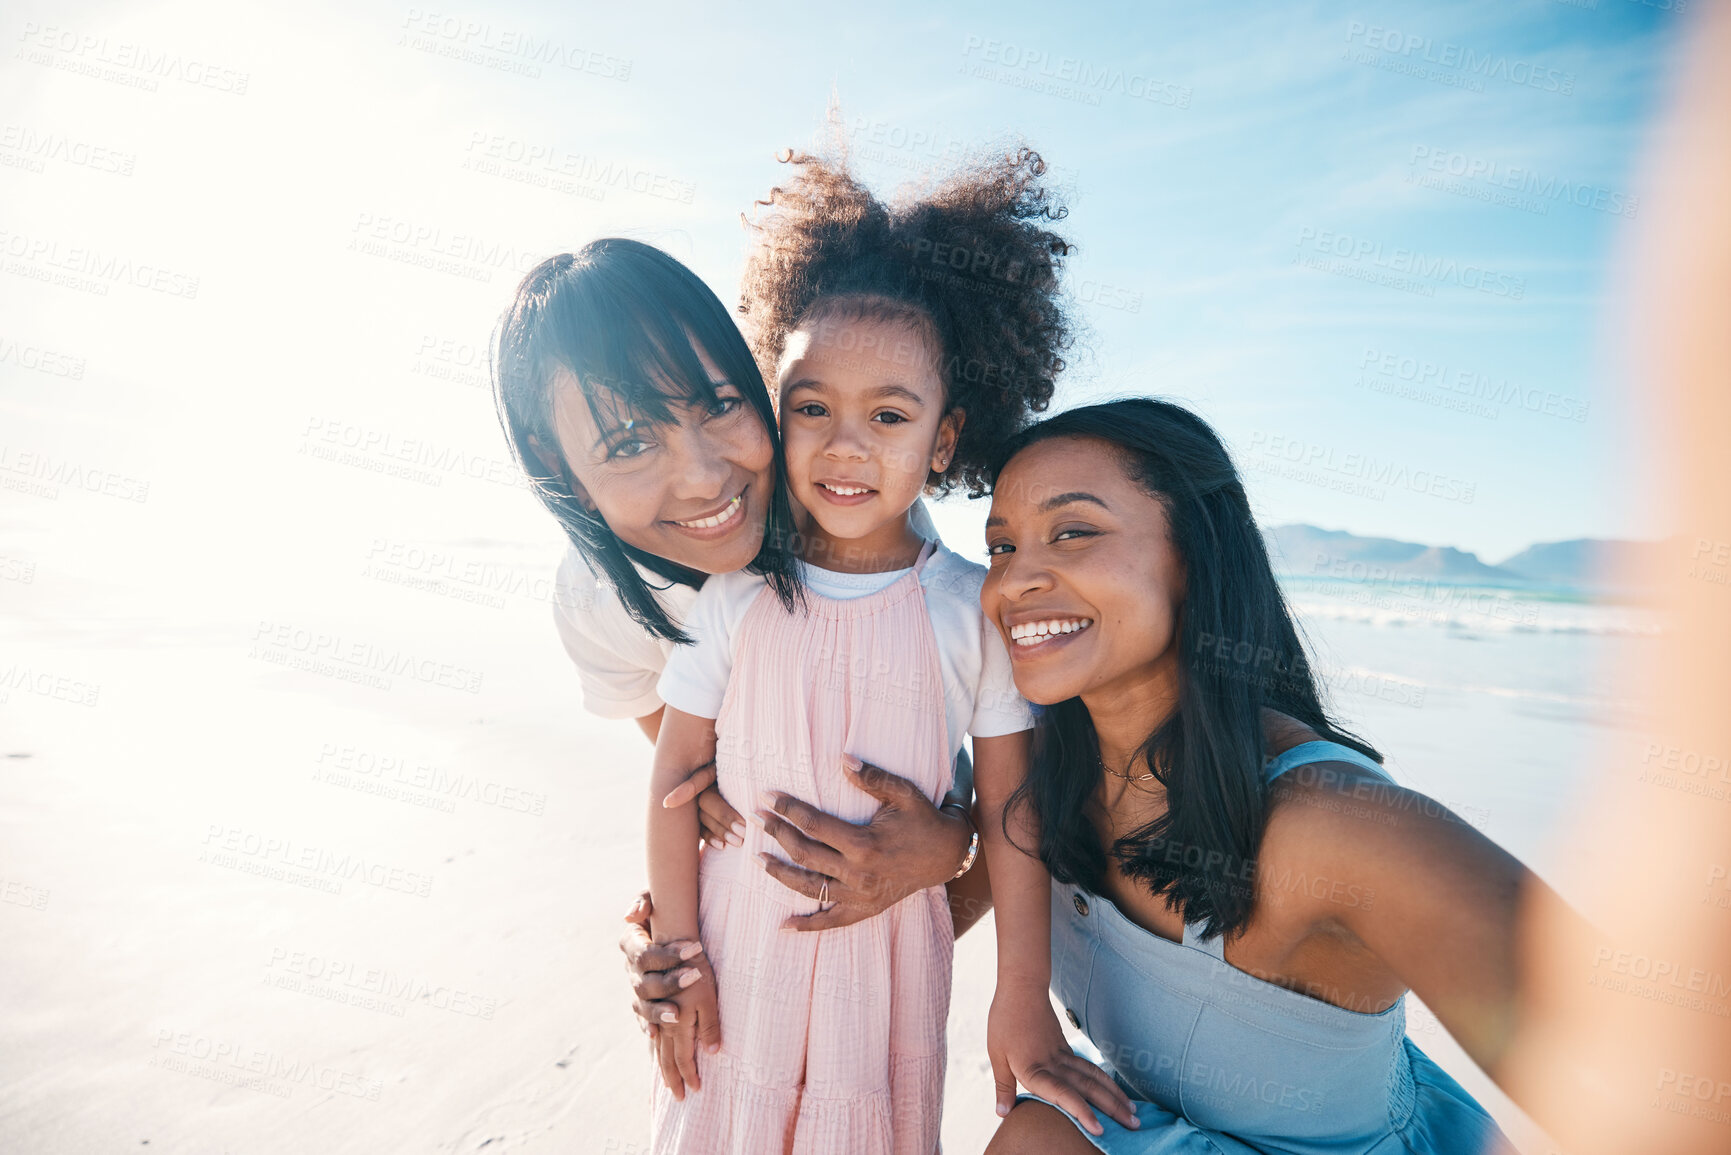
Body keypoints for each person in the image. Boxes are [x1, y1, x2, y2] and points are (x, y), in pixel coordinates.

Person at [642, 145, 1071, 1154]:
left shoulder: (968, 609)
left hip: (882, 995)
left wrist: (1021, 993)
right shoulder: (739, 592)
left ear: (946, 439)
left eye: (889, 416)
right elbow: (671, 775)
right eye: (812, 408)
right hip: (736, 971)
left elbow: (1014, 813)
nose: (846, 445)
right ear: (772, 409)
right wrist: (675, 951)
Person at [979, 399, 1532, 1154]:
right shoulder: (1036, 774)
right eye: (1000, 546)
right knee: (1037, 1137)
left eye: (1072, 531)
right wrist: (940, 844)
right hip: (1173, 1132)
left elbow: (1638, 1056)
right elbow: (996, 843)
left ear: (1195, 554)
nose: (1014, 581)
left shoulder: (1334, 826)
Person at [490, 237, 987, 1043]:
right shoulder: (597, 604)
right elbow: (697, 795)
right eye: (627, 443)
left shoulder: (853, 522)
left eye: (719, 404)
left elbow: (969, 782)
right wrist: (672, 947)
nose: (703, 477)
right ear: (558, 463)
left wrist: (952, 846)